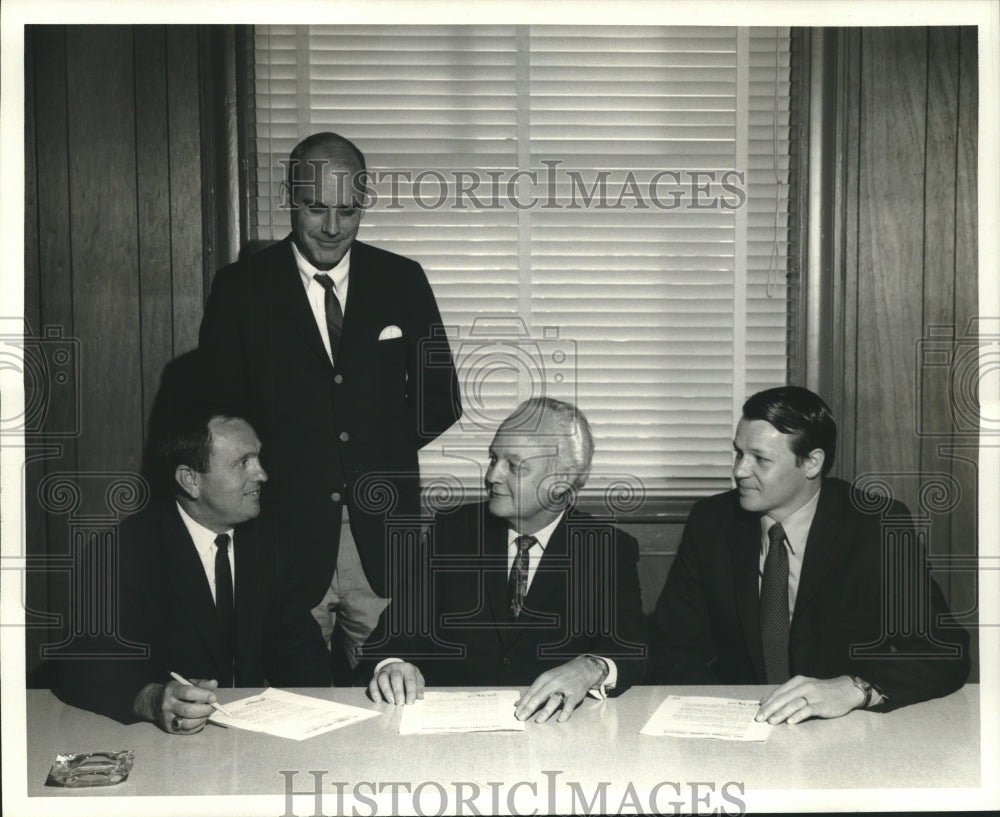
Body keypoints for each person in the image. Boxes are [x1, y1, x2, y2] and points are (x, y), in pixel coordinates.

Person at [197, 132, 462, 676]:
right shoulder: (239, 288)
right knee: (284, 706)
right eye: (317, 208)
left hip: (382, 542)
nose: (333, 228)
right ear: (290, 198)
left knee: (394, 702)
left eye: (348, 210)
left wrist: (366, 451)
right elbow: (217, 415)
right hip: (281, 539)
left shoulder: (402, 280)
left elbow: (441, 399)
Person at [651, 386, 970, 724]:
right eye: (738, 453)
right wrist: (732, 714)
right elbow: (672, 647)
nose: (740, 471)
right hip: (739, 728)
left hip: (843, 733)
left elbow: (943, 651)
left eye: (760, 459)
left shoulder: (876, 526)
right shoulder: (711, 522)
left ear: (812, 463)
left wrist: (854, 688)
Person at [361, 398, 647, 723]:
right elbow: (393, 634)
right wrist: (392, 664)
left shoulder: (608, 549)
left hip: (556, 732)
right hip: (450, 732)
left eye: (514, 465)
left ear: (562, 480)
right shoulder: (452, 532)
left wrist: (590, 668)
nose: (492, 476)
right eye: (493, 458)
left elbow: (631, 646)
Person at [54, 406, 329, 732]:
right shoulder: (122, 551)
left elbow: (300, 651)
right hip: (157, 743)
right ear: (190, 480)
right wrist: (152, 699)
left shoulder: (272, 541)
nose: (262, 474)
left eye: (258, 458)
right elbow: (83, 665)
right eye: (243, 463)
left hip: (252, 738)